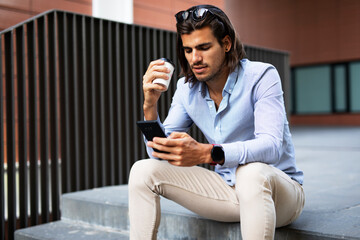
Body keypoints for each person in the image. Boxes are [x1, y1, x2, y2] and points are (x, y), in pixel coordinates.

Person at [128, 4, 304, 240]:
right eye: (188, 50)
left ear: (227, 43)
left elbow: (271, 147)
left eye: (204, 47)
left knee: (250, 173)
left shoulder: (262, 76)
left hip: (279, 195)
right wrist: (149, 106)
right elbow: (159, 155)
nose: (195, 58)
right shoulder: (186, 89)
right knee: (141, 170)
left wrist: (208, 154)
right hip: (227, 194)